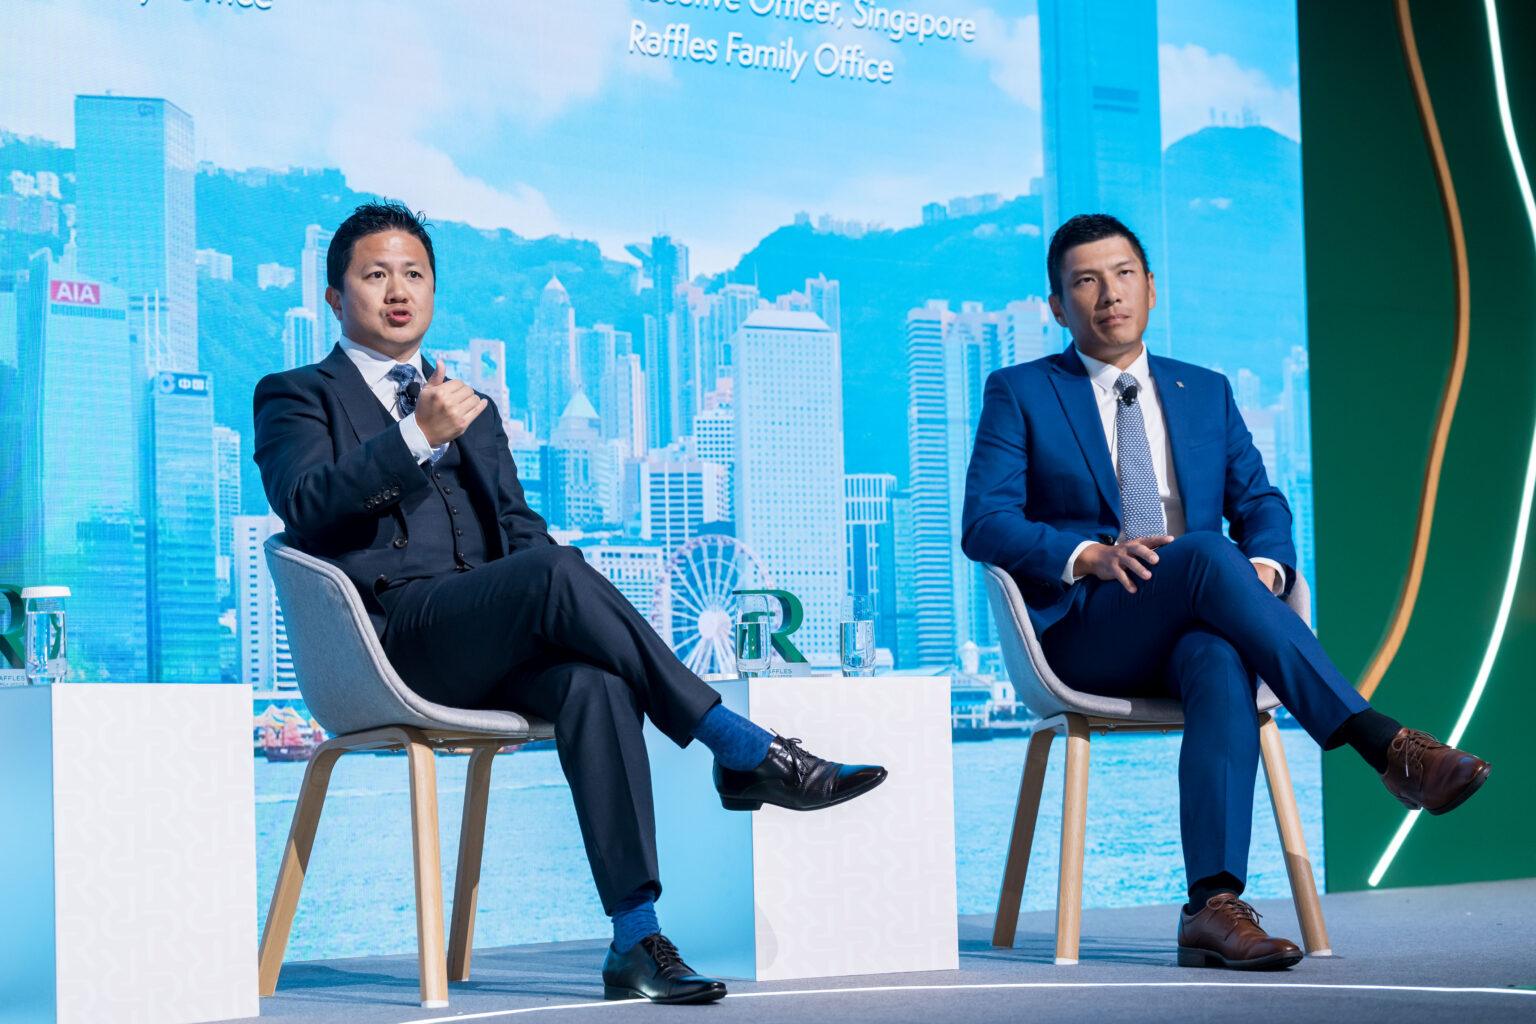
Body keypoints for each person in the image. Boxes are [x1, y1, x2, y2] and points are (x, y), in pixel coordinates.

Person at [253, 201, 886, 1004]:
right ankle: (741, 745)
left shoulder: (471, 407)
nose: (397, 291)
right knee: (556, 571)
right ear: (335, 297)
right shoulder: (295, 393)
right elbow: (304, 502)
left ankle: (635, 939)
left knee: (596, 680)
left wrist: (464, 452)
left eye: (413, 273)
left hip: (488, 639)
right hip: (393, 642)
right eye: (374, 276)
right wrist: (415, 436)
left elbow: (519, 531)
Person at [961, 213, 1490, 971]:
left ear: (1151, 288)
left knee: (1216, 654)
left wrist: (1268, 569)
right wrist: (1087, 555)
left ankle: (1212, 906)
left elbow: (1263, 504)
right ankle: (1382, 742)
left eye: (1122, 275)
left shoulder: (1203, 391)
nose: (1108, 294)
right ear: (1056, 306)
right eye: (1085, 281)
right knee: (1208, 551)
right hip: (1089, 633)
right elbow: (985, 523)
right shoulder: (1021, 391)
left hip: (1198, 617)